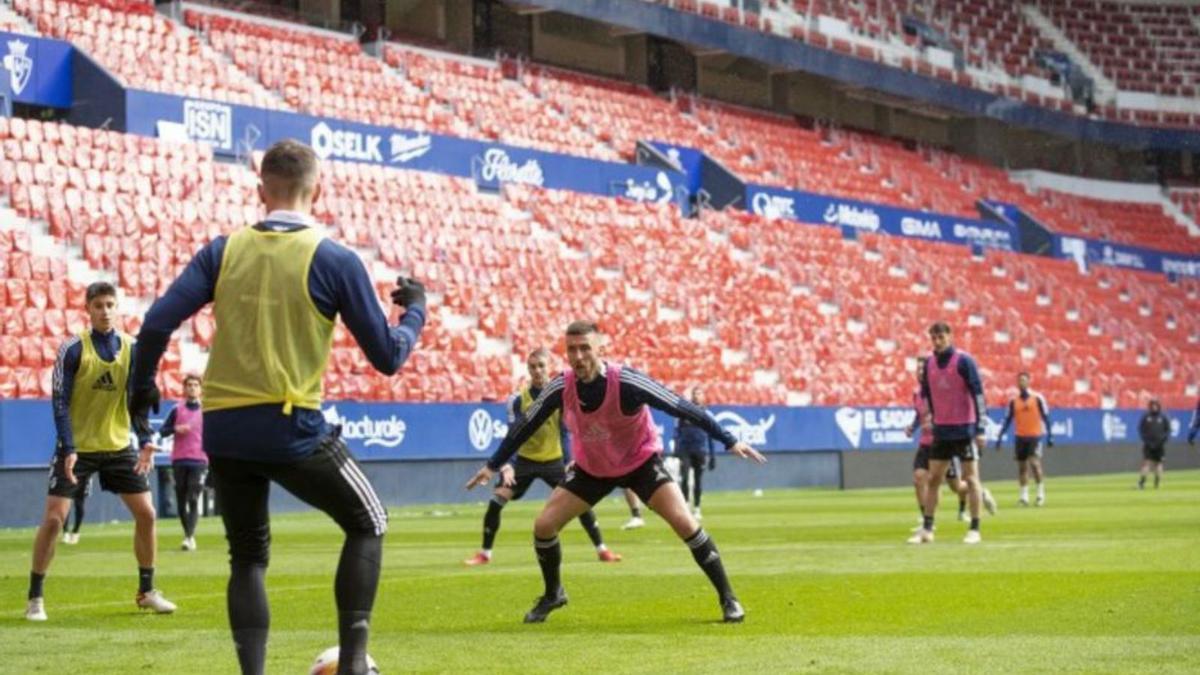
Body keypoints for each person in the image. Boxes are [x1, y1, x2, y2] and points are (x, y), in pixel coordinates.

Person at [129, 140, 425, 675]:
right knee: (368, 521)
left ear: (260, 189)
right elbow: (386, 357)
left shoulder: (223, 250)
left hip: (223, 428)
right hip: (290, 425)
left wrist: (141, 385)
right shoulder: (334, 258)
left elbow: (154, 324)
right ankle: (354, 665)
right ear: (319, 189)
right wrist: (415, 315)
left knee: (247, 557)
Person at [465, 320, 766, 624]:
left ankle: (728, 598)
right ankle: (554, 593)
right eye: (572, 349)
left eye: (585, 348)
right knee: (543, 526)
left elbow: (680, 406)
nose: (579, 355)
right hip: (592, 469)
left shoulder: (627, 382)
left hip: (640, 465)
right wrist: (493, 465)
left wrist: (728, 439)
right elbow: (523, 425)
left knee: (685, 523)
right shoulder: (561, 385)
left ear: (601, 348)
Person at [25, 281, 175, 622]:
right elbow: (60, 403)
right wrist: (68, 446)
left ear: (117, 306)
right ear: (88, 310)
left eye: (110, 304)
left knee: (148, 514)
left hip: (119, 445)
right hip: (78, 448)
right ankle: (35, 597)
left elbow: (137, 400)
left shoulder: (131, 349)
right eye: (98, 306)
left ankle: (147, 591)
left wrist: (146, 439)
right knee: (54, 519)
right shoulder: (73, 349)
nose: (105, 311)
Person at [464, 348, 621, 565]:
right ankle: (485, 554)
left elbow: (565, 430)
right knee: (496, 501)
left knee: (581, 503)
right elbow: (513, 434)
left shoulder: (561, 395)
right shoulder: (517, 399)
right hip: (524, 462)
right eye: (532, 367)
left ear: (549, 367)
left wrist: (569, 462)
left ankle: (602, 550)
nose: (537, 371)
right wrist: (507, 465)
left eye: (541, 366)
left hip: (553, 461)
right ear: (528, 370)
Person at [909, 322, 987, 545]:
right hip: (941, 432)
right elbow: (928, 396)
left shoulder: (964, 361)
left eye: (941, 337)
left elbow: (978, 394)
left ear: (950, 337)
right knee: (934, 480)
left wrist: (980, 429)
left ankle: (974, 529)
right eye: (933, 337)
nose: (937, 341)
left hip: (964, 429)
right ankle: (927, 529)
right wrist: (932, 419)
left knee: (971, 478)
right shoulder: (930, 364)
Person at [905, 363, 969, 532]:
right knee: (919, 478)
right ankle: (927, 521)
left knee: (956, 486)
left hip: (943, 442)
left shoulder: (940, 390)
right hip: (925, 443)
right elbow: (920, 414)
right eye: (917, 369)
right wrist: (912, 427)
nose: (919, 372)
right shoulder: (916, 394)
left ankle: (977, 491)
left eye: (922, 369)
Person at [159, 374, 206, 551]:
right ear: (184, 388)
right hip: (179, 459)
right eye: (189, 385)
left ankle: (189, 537)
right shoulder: (176, 410)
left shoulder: (206, 410)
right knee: (181, 499)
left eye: (195, 385)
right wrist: (175, 429)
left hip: (200, 460)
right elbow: (163, 431)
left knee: (193, 497)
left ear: (200, 389)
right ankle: (188, 534)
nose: (192, 388)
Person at [995, 372, 1053, 506]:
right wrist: (999, 437)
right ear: (1017, 383)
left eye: (1024, 380)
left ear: (1028, 382)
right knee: (1022, 468)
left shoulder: (1037, 398)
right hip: (1020, 437)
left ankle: (1040, 494)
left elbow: (1046, 416)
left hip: (1034, 436)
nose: (1021, 382)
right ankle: (1024, 497)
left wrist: (1050, 434)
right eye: (1019, 380)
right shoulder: (1013, 401)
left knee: (1034, 464)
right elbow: (1007, 420)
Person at [673, 386, 716, 520]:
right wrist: (676, 450)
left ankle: (697, 508)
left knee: (698, 480)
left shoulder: (708, 415)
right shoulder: (683, 413)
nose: (697, 396)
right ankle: (685, 506)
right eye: (695, 393)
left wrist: (713, 456)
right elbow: (677, 433)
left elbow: (712, 436)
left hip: (700, 450)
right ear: (691, 396)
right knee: (684, 478)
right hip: (685, 450)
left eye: (699, 393)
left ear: (703, 397)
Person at [1137, 399, 1171, 490]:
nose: (1154, 407)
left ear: (1159, 406)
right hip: (1148, 445)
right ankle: (1142, 483)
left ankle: (1157, 483)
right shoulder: (1146, 417)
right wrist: (1146, 441)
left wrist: (1162, 441)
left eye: (1156, 405)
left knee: (1159, 464)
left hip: (1160, 445)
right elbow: (1141, 430)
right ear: (1150, 406)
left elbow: (1168, 431)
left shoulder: (1163, 417)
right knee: (1146, 463)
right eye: (1152, 405)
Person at [61, 476, 91, 545]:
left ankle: (75, 531)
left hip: (84, 474)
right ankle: (66, 532)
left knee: (79, 503)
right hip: (68, 474)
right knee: (66, 503)